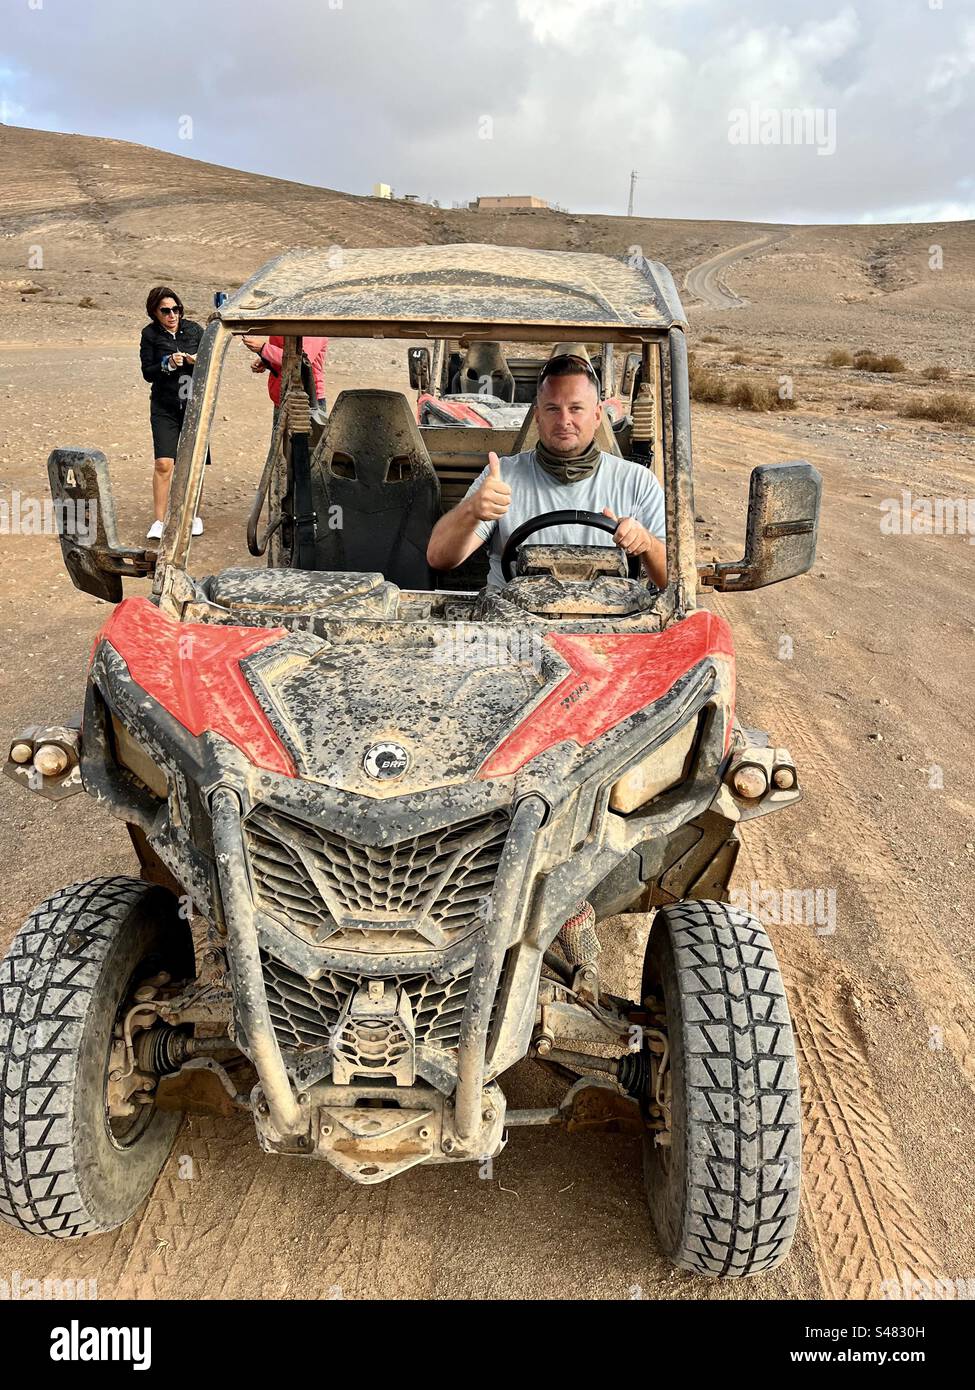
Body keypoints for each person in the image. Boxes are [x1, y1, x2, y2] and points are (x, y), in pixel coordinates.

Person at [427, 354, 667, 590]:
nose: (564, 420)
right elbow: (438, 558)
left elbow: (672, 581)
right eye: (553, 409)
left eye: (576, 408)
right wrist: (472, 510)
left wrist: (646, 543)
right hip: (511, 620)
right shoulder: (501, 477)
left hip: (610, 623)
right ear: (538, 416)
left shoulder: (637, 482)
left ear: (596, 416)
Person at [139, 286, 206, 540]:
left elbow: (212, 360)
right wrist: (167, 364)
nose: (172, 315)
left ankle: (192, 516)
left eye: (175, 309)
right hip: (164, 406)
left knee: (192, 463)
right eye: (165, 311)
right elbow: (147, 372)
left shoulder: (195, 330)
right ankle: (160, 520)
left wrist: (196, 360)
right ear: (155, 313)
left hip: (194, 404)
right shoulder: (149, 335)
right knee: (164, 463)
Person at [242, 334, 328, 412]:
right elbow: (283, 355)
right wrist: (267, 361)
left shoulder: (313, 330)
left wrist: (264, 348)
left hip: (307, 400)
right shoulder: (282, 325)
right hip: (281, 397)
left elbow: (301, 361)